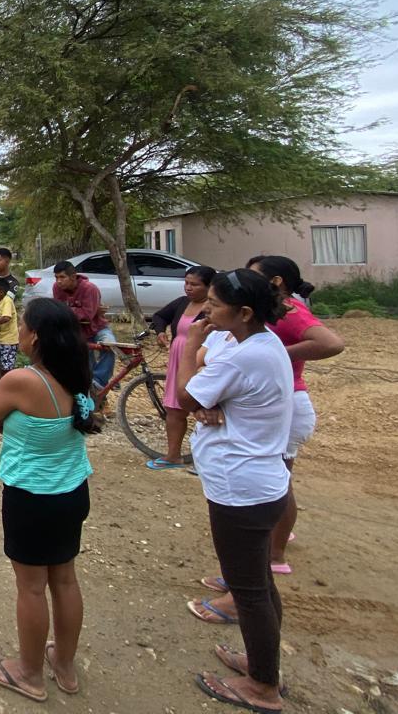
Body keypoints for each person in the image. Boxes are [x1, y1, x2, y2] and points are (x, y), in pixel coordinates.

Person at [198, 255, 345, 620]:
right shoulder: (249, 330)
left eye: (253, 275)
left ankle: (267, 562)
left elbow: (332, 343)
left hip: (280, 405)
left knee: (272, 486)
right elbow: (208, 359)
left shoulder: (283, 316)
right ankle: (249, 573)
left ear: (274, 283)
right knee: (268, 488)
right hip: (253, 399)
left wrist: (271, 355)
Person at [176, 269, 292, 713]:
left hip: (240, 488)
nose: (205, 310)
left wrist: (190, 345)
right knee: (258, 583)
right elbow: (207, 393)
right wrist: (210, 401)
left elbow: (187, 396)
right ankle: (263, 664)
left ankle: (263, 686)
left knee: (249, 592)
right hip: (260, 483)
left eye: (215, 304)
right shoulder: (259, 343)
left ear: (243, 312)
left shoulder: (245, 357)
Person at [0, 297, 100, 702]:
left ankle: (28, 674)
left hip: (33, 497)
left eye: (25, 326)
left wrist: (9, 419)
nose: (21, 332)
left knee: (31, 588)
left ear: (37, 338)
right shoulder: (76, 374)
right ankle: (64, 665)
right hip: (72, 491)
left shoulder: (23, 381)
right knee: (65, 579)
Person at [145, 265, 216, 471]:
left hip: (202, 359)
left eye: (195, 284)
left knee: (206, 408)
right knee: (174, 408)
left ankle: (208, 461)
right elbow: (160, 316)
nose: (188, 288)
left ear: (209, 287)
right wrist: (160, 332)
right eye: (186, 283)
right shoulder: (182, 303)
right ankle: (173, 455)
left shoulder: (215, 308)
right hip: (179, 358)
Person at [51, 261, 116, 394]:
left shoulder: (89, 288)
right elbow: (58, 312)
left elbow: (86, 315)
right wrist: (72, 310)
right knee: (86, 366)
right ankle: (95, 395)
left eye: (62, 277)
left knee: (110, 345)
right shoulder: (57, 288)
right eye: (56, 277)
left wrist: (66, 310)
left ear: (73, 277)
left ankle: (99, 382)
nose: (58, 281)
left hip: (98, 328)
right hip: (78, 332)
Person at [0, 276, 20, 378]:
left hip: (9, 340)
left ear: (1, 292)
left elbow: (6, 317)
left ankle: (8, 383)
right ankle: (1, 382)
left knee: (6, 368)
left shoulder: (7, 301)